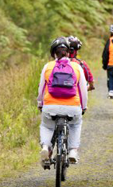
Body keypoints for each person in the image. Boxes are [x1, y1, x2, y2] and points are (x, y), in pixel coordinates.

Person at [37, 37, 88, 165]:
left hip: (50, 106)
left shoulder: (48, 67)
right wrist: (83, 107)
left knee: (47, 126)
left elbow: (41, 89)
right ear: (68, 52)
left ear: (53, 52)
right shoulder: (76, 67)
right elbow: (83, 91)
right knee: (75, 125)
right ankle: (72, 151)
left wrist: (40, 103)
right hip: (73, 107)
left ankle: (45, 147)